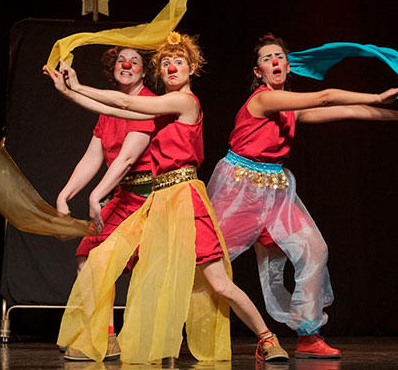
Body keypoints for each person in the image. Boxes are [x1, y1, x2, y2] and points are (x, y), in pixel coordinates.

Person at [44, 32, 288, 363]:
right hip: (159, 201)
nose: (172, 67)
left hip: (185, 198)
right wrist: (68, 92)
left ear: (191, 68)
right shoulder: (160, 111)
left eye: (179, 62)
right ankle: (112, 337)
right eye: (166, 63)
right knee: (112, 261)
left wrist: (79, 85)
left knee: (218, 283)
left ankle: (267, 338)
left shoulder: (186, 103)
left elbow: (126, 103)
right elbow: (115, 109)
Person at [206, 33, 398, 359]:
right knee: (203, 263)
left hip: (275, 192)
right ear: (258, 72)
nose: (275, 61)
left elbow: (347, 111)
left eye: (279, 56)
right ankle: (162, 320)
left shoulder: (290, 110)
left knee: (314, 248)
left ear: (288, 66)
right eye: (267, 58)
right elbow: (325, 97)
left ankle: (308, 334)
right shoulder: (262, 100)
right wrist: (378, 96)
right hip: (239, 190)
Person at [48, 46, 157, 360]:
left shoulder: (148, 103)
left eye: (135, 61)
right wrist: (64, 195)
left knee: (140, 268)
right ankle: (105, 336)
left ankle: (144, 337)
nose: (127, 65)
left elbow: (126, 159)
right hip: (122, 197)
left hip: (147, 199)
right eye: (122, 60)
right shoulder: (108, 109)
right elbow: (92, 157)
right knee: (88, 257)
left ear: (144, 71)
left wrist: (96, 195)